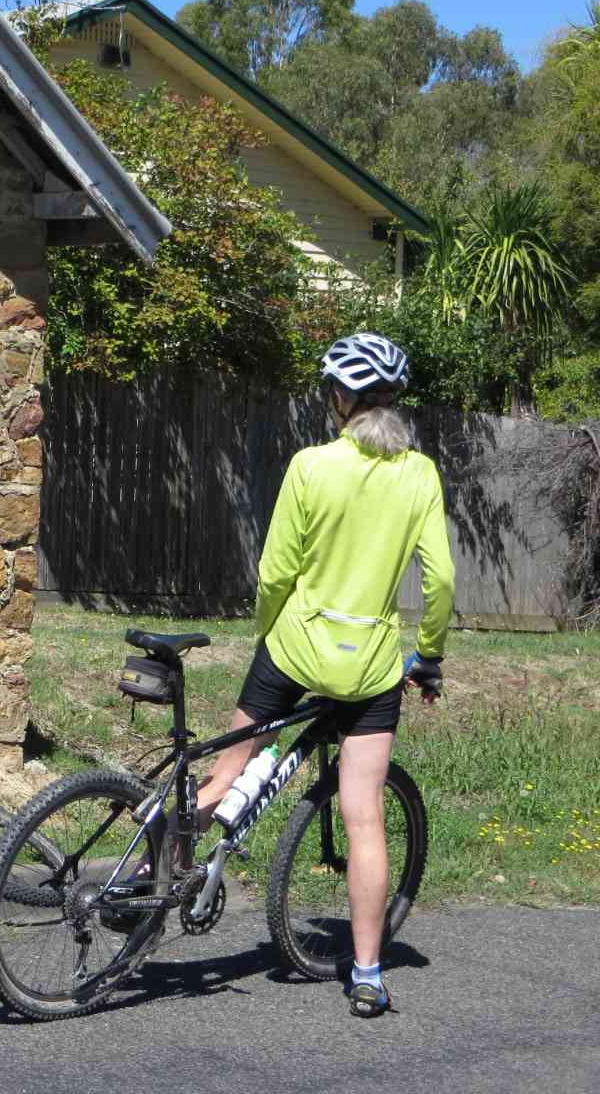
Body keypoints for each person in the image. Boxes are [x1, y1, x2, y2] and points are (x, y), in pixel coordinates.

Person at [192, 331, 454, 1019]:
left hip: (292, 649)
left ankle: (146, 876)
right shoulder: (420, 475)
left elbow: (276, 570)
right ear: (394, 400)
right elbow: (442, 580)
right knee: (363, 816)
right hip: (370, 668)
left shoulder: (312, 465)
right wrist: (427, 654)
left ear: (338, 398)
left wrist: (269, 634)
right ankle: (367, 972)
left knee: (224, 775)